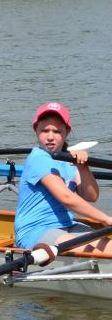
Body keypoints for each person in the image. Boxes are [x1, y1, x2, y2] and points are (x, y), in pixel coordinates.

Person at [14, 101, 112, 254]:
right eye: (45, 130)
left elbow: (91, 196)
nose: (50, 137)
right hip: (36, 230)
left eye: (57, 131)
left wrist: (83, 167)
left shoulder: (68, 159)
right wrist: (106, 219)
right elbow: (66, 197)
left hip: (68, 225)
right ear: (36, 130)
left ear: (67, 132)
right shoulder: (38, 158)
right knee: (95, 253)